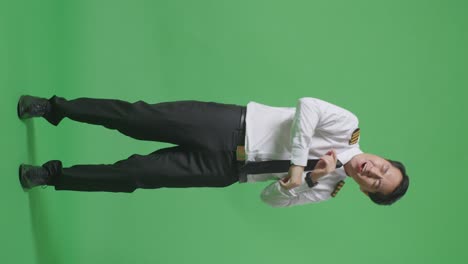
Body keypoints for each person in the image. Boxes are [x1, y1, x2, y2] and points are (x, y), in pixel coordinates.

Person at [17, 95, 409, 207]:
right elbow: (307, 106)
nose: (372, 171)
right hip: (227, 125)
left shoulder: (326, 189)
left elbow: (269, 199)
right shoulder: (348, 128)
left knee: (136, 175)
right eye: (383, 167)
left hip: (223, 169)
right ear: (384, 157)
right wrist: (295, 163)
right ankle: (54, 108)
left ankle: (51, 176)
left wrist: (308, 177)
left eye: (375, 183)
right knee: (134, 117)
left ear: (365, 191)